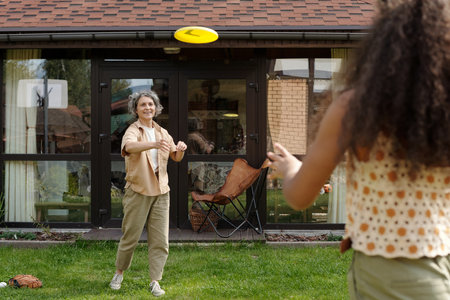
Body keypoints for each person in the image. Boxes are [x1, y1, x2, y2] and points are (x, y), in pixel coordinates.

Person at [267, 0, 450, 299]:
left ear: (383, 47)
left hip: (389, 272)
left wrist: (290, 168)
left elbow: (300, 196)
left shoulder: (353, 108)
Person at [109, 90, 187, 297]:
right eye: (143, 105)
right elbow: (129, 146)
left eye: (151, 104)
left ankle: (155, 281)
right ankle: (119, 273)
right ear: (136, 109)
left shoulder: (163, 131)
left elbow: (175, 156)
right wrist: (152, 144)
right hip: (138, 190)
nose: (148, 108)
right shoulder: (132, 130)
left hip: (161, 192)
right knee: (130, 237)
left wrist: (180, 148)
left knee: (160, 240)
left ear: (156, 108)